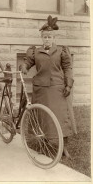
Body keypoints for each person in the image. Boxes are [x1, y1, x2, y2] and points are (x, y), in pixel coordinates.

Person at [20, 15, 77, 159]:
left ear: (53, 37)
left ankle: (63, 148)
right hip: (41, 91)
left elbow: (68, 68)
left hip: (58, 89)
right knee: (43, 117)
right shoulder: (35, 52)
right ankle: (43, 143)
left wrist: (68, 84)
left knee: (61, 117)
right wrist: (24, 66)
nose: (47, 39)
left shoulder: (61, 51)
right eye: (45, 36)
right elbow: (28, 62)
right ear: (42, 38)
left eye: (50, 36)